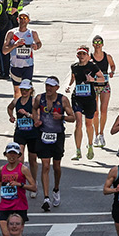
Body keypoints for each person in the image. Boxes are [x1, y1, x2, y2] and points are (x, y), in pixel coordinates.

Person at [34, 77, 74, 211]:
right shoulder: (40, 98)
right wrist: (36, 119)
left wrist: (61, 117)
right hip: (43, 134)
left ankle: (56, 189)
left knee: (56, 166)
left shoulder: (62, 100)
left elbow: (73, 117)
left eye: (51, 86)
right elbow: (34, 109)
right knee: (45, 165)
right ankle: (46, 197)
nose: (48, 89)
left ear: (57, 87)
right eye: (47, 86)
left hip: (58, 135)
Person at [68, 46, 104, 162]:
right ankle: (78, 151)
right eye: (80, 54)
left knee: (89, 124)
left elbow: (102, 78)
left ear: (88, 56)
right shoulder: (74, 67)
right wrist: (68, 86)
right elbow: (73, 78)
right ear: (77, 55)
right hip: (77, 97)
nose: (82, 56)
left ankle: (90, 146)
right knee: (78, 123)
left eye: (84, 54)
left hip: (89, 98)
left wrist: (93, 80)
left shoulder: (92, 66)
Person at [0, 143, 35, 236]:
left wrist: (20, 184)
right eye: (10, 153)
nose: (12, 156)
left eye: (14, 153)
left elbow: (34, 187)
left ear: (19, 155)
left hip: (19, 206)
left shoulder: (23, 169)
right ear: (5, 154)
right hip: (4, 206)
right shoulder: (2, 169)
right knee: (6, 234)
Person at [2, 14, 42, 96]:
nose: (23, 20)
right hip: (15, 66)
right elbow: (4, 51)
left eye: (25, 18)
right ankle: (18, 106)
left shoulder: (32, 33)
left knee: (26, 90)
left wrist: (36, 46)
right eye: (21, 18)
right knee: (17, 91)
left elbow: (39, 43)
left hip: (28, 66)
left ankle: (28, 107)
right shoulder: (11, 33)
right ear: (17, 19)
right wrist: (15, 45)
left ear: (28, 20)